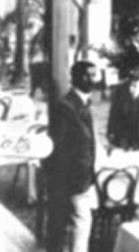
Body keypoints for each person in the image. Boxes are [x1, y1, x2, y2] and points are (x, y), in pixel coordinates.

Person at [45, 61, 97, 252]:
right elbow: (59, 148)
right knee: (80, 223)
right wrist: (70, 181)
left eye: (94, 75)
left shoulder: (82, 103)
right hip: (72, 178)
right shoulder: (66, 106)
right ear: (77, 78)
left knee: (80, 224)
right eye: (88, 75)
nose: (93, 79)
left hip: (82, 177)